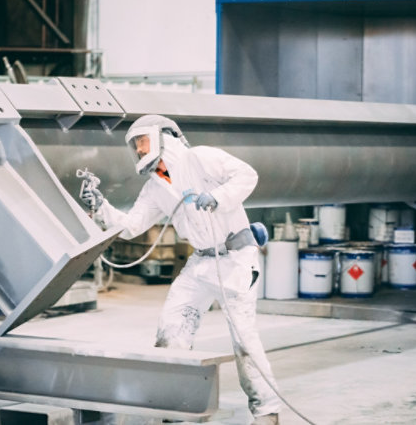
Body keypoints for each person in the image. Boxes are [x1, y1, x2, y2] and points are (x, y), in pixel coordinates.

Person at [80, 114, 281, 425]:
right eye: (135, 146)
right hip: (201, 263)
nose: (139, 150)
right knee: (171, 329)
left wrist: (217, 196)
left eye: (142, 141)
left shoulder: (200, 158)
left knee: (244, 340)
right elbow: (132, 226)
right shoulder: (155, 187)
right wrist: (102, 205)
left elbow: (247, 175)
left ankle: (266, 411)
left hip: (235, 259)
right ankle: (178, 409)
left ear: (161, 136)